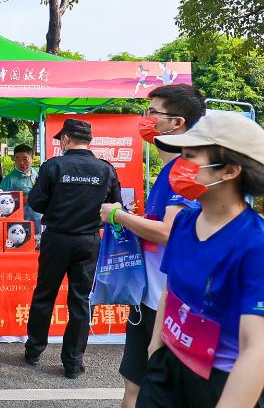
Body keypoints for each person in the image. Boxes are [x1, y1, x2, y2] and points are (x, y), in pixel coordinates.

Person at [137, 112, 264, 407]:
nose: (179, 166)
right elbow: (170, 291)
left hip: (219, 382)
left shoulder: (255, 244)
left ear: (229, 170)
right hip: (167, 366)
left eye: (190, 156)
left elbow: (256, 348)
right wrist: (155, 350)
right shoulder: (184, 223)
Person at [98, 84, 205, 408]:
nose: (146, 119)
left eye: (153, 113)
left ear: (177, 123)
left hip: (172, 303)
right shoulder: (169, 169)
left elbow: (170, 232)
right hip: (148, 298)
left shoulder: (187, 169)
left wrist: (118, 216)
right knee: (133, 385)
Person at [24, 119, 122, 379]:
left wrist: (59, 206)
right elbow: (115, 207)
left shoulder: (53, 166)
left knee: (45, 294)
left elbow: (36, 202)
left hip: (57, 239)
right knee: (80, 300)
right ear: (88, 141)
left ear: (66, 139)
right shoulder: (106, 169)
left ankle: (34, 350)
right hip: (88, 241)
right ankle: (73, 363)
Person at [0, 144, 42, 231]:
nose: (21, 162)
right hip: (20, 224)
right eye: (18, 159)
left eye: (25, 159)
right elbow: (2, 202)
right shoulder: (9, 179)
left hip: (39, 219)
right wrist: (24, 199)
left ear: (32, 158)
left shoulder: (38, 174)